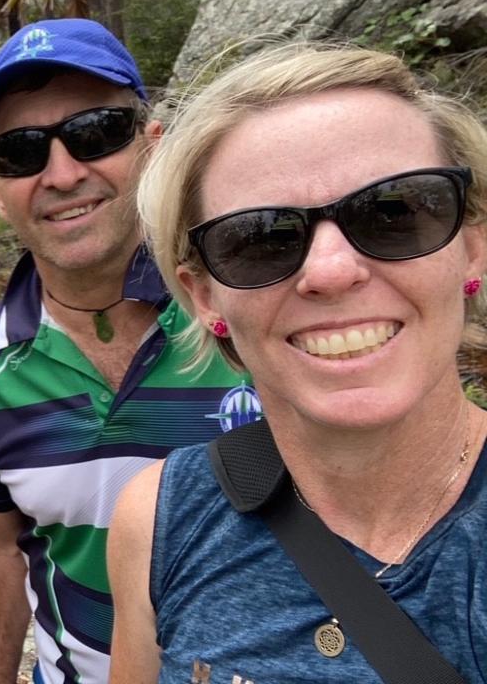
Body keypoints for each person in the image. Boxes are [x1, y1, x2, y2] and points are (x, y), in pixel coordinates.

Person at [108, 42, 487, 683]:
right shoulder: (157, 519)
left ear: (471, 251)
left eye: (393, 212)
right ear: (204, 296)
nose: (332, 271)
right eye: (261, 239)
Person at [0, 18, 260, 684]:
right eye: (20, 152)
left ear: (152, 148)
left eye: (94, 133)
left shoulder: (248, 308)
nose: (61, 174)